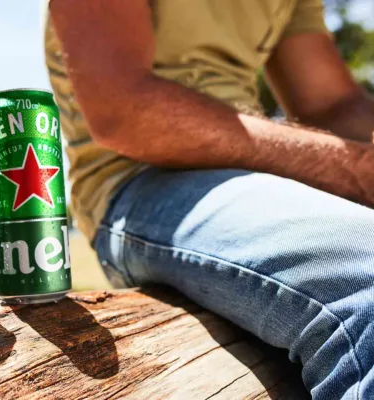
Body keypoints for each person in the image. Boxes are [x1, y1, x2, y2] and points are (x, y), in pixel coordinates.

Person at [43, 0, 374, 398]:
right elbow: (123, 107)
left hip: (258, 174)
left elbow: (332, 104)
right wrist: (354, 168)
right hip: (136, 181)